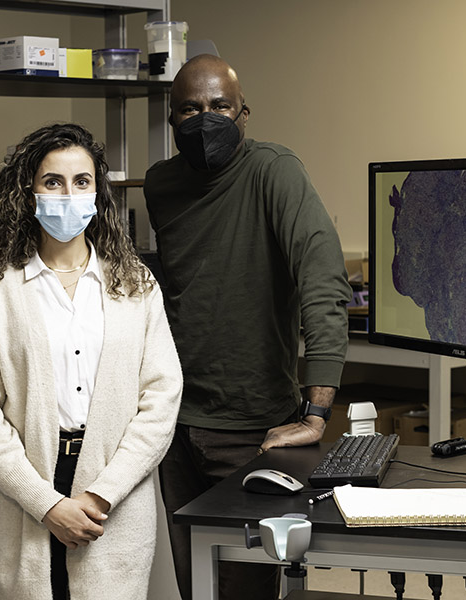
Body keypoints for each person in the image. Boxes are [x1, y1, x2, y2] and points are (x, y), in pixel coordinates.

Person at [144, 55, 352, 600]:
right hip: (173, 426)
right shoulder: (161, 185)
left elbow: (323, 277)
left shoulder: (274, 171)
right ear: (171, 119)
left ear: (244, 114)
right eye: (189, 108)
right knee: (195, 583)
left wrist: (317, 410)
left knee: (244, 589)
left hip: (253, 430)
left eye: (219, 106)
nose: (204, 118)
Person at [0, 123, 182, 600]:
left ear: (97, 193)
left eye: (81, 181)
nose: (67, 193)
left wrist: (100, 494)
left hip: (113, 493)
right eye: (52, 181)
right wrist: (47, 504)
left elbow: (161, 398)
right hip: (25, 492)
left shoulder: (135, 284)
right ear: (29, 192)